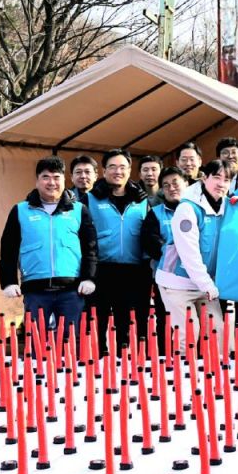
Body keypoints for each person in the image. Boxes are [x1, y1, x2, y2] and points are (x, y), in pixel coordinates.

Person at [0, 157, 98, 337]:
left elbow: (90, 247)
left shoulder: (79, 210)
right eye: (46, 177)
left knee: (70, 343)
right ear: (37, 181)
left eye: (56, 177)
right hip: (35, 290)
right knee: (36, 342)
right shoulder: (20, 210)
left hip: (72, 290)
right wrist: (9, 281)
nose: (51, 182)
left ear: (64, 180)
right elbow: (8, 248)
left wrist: (89, 278)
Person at [155, 160, 233, 352]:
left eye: (227, 179)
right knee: (187, 335)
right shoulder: (188, 208)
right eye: (217, 177)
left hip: (206, 283)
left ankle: (215, 371)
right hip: (177, 283)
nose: (221, 184)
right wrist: (207, 284)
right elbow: (188, 252)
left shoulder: (227, 206)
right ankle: (182, 370)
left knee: (217, 333)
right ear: (204, 178)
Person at [83, 149, 151, 355]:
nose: (117, 171)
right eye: (112, 167)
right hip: (102, 269)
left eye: (122, 167)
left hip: (134, 270)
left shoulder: (142, 200)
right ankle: (98, 360)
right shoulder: (90, 199)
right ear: (104, 171)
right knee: (99, 319)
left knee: (128, 321)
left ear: (130, 171)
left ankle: (127, 361)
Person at [141, 166, 188, 347]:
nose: (171, 188)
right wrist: (178, 253)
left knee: (195, 322)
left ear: (186, 183)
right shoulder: (155, 213)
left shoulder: (199, 210)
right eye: (166, 185)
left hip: (197, 279)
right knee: (167, 322)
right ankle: (165, 356)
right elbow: (150, 243)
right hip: (166, 279)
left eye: (175, 183)